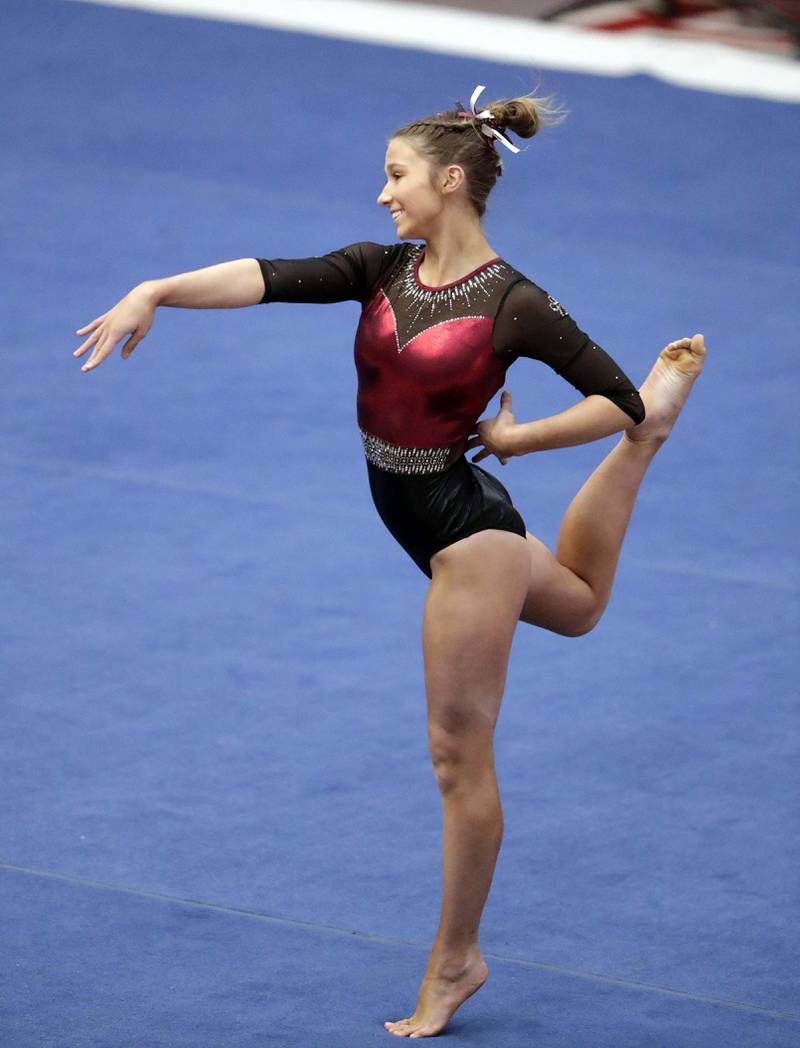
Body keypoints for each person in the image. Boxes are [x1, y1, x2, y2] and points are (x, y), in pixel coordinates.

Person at [73, 86, 706, 1040]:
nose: (382, 194)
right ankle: (653, 445)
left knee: (457, 758)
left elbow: (612, 393)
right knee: (576, 607)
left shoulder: (517, 303)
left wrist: (524, 438)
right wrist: (156, 287)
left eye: (397, 175)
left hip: (464, 533)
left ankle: (456, 961)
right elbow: (266, 275)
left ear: (451, 182)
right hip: (419, 512)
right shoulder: (382, 269)